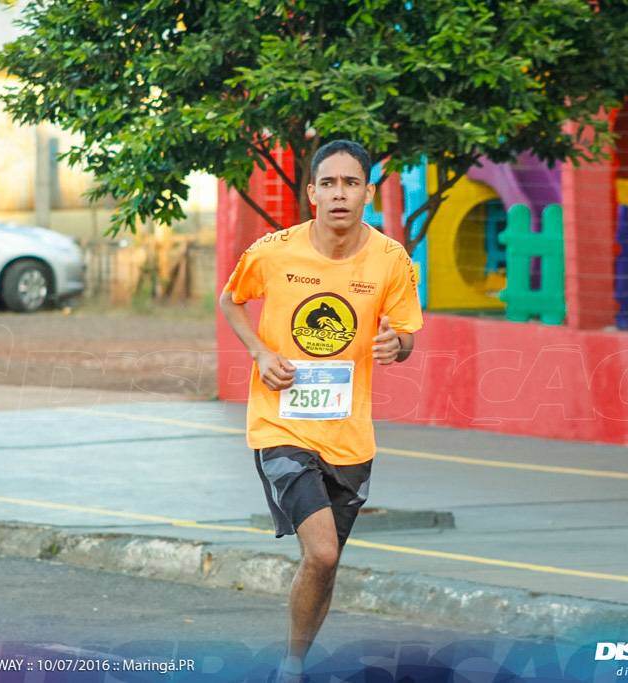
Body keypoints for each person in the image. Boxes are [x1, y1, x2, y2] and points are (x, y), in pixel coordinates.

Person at [219, 140, 423, 681]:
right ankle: (290, 669)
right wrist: (261, 352)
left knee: (324, 565)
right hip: (280, 424)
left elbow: (405, 337)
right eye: (328, 184)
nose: (339, 194)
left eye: (350, 183)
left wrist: (394, 346)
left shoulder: (391, 261)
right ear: (311, 193)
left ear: (367, 193)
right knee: (325, 553)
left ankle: (295, 660)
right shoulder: (274, 252)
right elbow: (230, 298)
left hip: (350, 437)